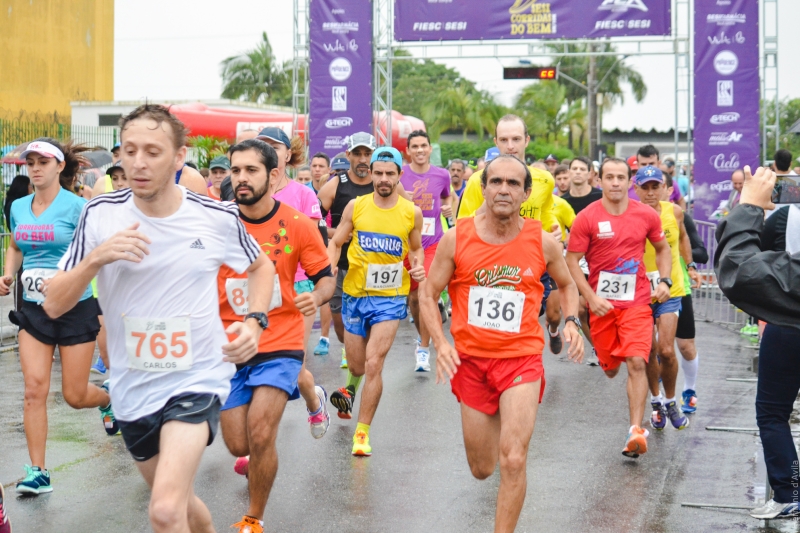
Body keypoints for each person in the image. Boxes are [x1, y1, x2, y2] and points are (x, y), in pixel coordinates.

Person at [43, 104, 273, 533]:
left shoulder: (216, 217)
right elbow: (54, 304)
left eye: (152, 151)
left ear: (179, 157)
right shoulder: (101, 214)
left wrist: (254, 320)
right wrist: (95, 259)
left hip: (197, 378)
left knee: (164, 511)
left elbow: (261, 268)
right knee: (180, 506)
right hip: (132, 388)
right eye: (129, 151)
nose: (138, 162)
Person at [420, 155, 583, 533]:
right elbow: (428, 294)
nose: (504, 189)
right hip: (471, 363)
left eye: (513, 183)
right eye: (496, 182)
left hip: (521, 359)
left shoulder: (542, 243)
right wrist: (440, 344)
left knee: (512, 458)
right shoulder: (456, 237)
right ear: (483, 188)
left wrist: (572, 321)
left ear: (526, 193)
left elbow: (568, 284)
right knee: (482, 469)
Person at [218, 139, 334, 533]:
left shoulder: (298, 225)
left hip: (278, 339)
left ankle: (254, 517)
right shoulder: (217, 223)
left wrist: (315, 297)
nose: (241, 179)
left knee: (262, 431)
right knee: (238, 444)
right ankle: (309, 401)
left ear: (272, 174)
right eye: (235, 171)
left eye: (250, 170)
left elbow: (325, 279)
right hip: (229, 344)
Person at [0, 139, 116, 495]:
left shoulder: (80, 207)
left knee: (75, 395)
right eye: (30, 162)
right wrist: (7, 273)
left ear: (60, 166)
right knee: (34, 391)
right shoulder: (19, 207)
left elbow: (100, 251)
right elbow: (16, 244)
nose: (35, 168)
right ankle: (38, 471)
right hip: (33, 310)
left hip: (74, 307)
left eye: (43, 162)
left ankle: (109, 399)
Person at [566, 157, 672, 458]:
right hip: (602, 307)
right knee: (612, 370)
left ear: (629, 182)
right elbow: (571, 260)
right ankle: (603, 354)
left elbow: (663, 248)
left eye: (620, 177)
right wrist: (590, 297)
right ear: (599, 180)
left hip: (637, 302)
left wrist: (664, 280)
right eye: (609, 177)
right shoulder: (586, 217)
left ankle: (635, 431)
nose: (615, 182)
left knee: (638, 361)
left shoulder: (646, 215)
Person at [326, 147, 425, 456]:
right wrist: (330, 265)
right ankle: (350, 386)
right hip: (355, 295)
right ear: (371, 173)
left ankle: (362, 432)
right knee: (356, 363)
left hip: (390, 298)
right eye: (378, 173)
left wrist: (418, 264)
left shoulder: (412, 212)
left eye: (389, 174)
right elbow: (337, 240)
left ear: (399, 175)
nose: (383, 179)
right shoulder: (356, 207)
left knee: (373, 364)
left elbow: (416, 247)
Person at [715, 165, 800, 519]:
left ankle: (789, 492)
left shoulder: (781, 216)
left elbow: (741, 269)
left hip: (787, 320)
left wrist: (747, 207)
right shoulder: (781, 217)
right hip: (784, 317)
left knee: (772, 412)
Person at [252, 126, 329, 435]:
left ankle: (314, 400)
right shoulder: (243, 190)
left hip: (297, 287)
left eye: (274, 145)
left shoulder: (302, 194)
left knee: (291, 364)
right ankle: (255, 434)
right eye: (261, 145)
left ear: (287, 154)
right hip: (255, 289)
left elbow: (318, 248)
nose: (267, 149)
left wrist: (319, 286)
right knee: (252, 360)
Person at [633, 166, 698, 431]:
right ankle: (656, 401)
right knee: (647, 351)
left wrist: (690, 265)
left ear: (664, 188)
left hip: (671, 289)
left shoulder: (675, 212)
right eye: (644, 187)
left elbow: (682, 237)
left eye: (655, 187)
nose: (650, 193)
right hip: (640, 292)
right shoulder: (630, 215)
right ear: (635, 189)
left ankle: (671, 401)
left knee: (667, 350)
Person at [317, 132, 377, 368]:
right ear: (348, 155)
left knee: (372, 320)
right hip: (341, 265)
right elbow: (314, 221)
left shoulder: (382, 183)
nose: (363, 159)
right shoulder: (336, 185)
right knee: (340, 325)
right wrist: (337, 233)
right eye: (358, 154)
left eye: (367, 154)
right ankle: (349, 346)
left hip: (373, 266)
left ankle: (362, 357)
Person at [401, 130, 452, 371]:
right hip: (406, 245)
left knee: (424, 293)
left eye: (424, 146)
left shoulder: (442, 175)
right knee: (413, 299)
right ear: (408, 150)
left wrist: (449, 209)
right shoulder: (399, 175)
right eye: (415, 146)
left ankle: (423, 348)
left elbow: (446, 197)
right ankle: (422, 334)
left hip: (432, 244)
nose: (420, 150)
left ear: (430, 148)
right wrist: (403, 199)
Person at [308, 152, 334, 356]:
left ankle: (324, 338)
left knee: (324, 291)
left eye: (321, 166)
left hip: (330, 249)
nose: (317, 169)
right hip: (306, 251)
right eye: (314, 166)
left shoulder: (333, 190)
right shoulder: (304, 191)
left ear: (328, 169)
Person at [636, 145, 685, 210]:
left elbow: (680, 200)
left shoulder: (669, 182)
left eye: (651, 164)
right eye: (643, 164)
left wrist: (681, 216)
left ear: (659, 163)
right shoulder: (628, 184)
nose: (648, 168)